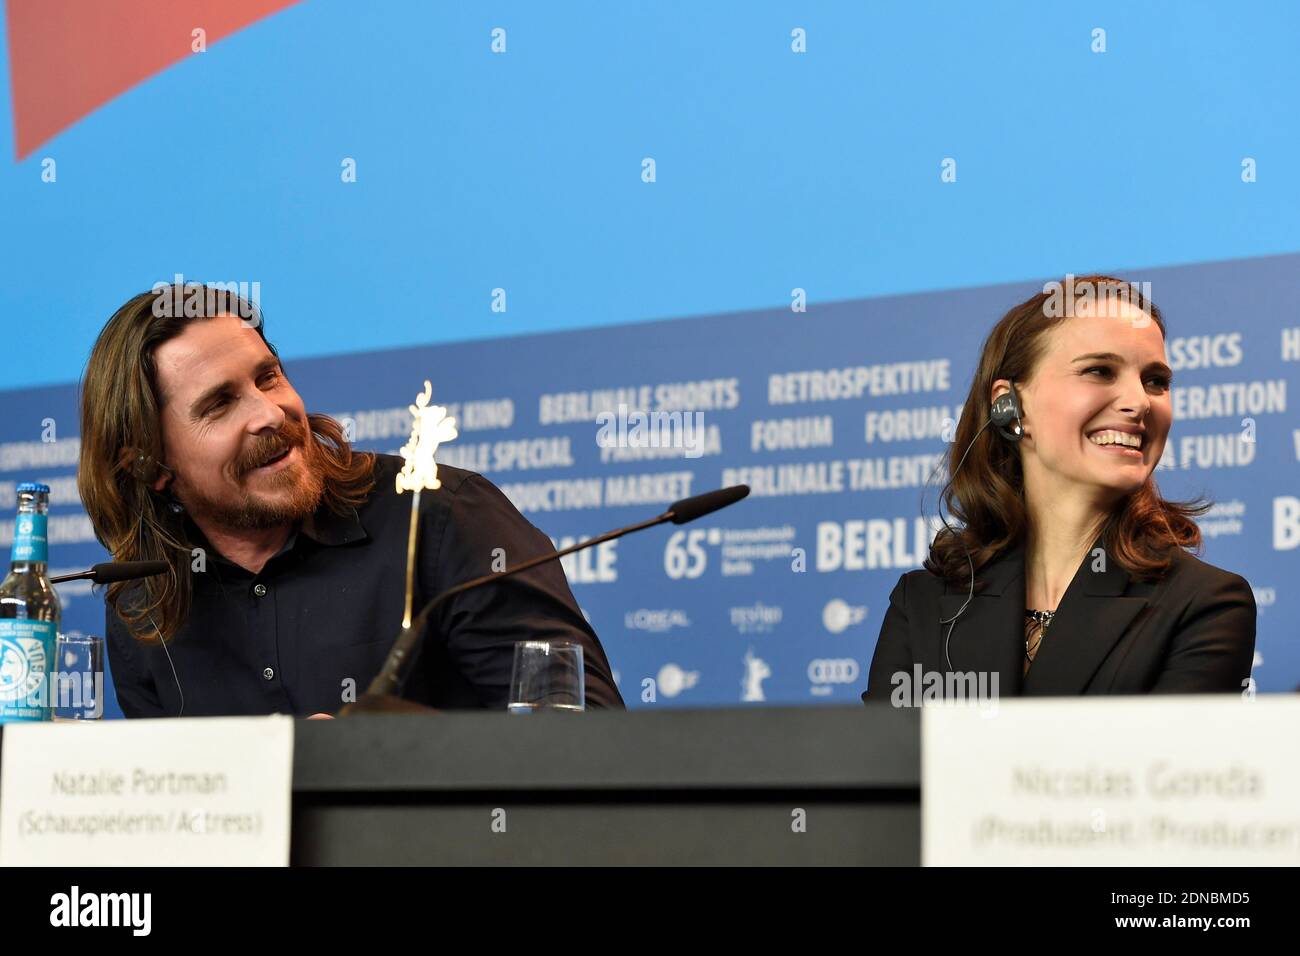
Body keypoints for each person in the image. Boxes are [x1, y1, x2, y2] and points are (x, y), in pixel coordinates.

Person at [78, 284, 624, 717]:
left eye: (268, 377)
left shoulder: (441, 516)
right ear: (151, 466)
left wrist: (375, 758)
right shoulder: (144, 604)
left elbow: (582, 736)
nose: (270, 412)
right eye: (220, 404)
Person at [863, 275, 1255, 701]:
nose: (1140, 401)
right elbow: (890, 766)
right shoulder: (921, 603)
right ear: (1010, 406)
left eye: (1156, 381)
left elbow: (1147, 767)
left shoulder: (1205, 604)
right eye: (1100, 371)